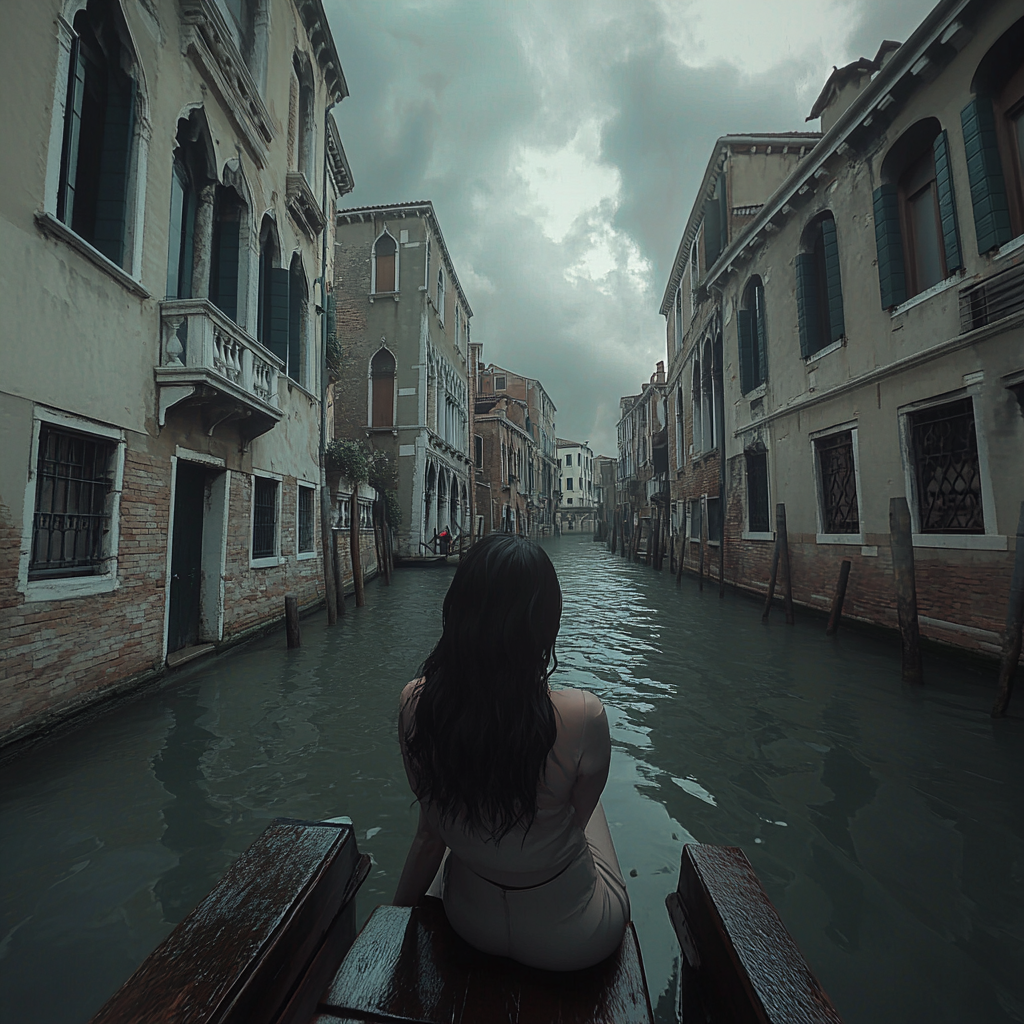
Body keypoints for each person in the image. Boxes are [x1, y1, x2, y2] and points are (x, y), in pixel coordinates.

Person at [393, 534, 630, 971]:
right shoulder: (583, 715)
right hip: (576, 936)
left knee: (461, 803)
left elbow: (429, 836)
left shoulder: (413, 702)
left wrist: (395, 923)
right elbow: (575, 822)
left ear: (457, 610)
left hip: (470, 922)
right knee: (588, 811)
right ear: (546, 624)